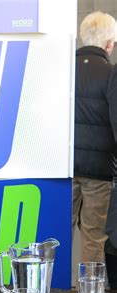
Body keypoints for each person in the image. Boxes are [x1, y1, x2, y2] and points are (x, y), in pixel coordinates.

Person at [73, 11, 117, 264]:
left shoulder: (62, 69)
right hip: (99, 172)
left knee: (56, 232)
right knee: (93, 235)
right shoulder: (111, 73)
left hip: (63, 168)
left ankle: (51, 291)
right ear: (109, 44)